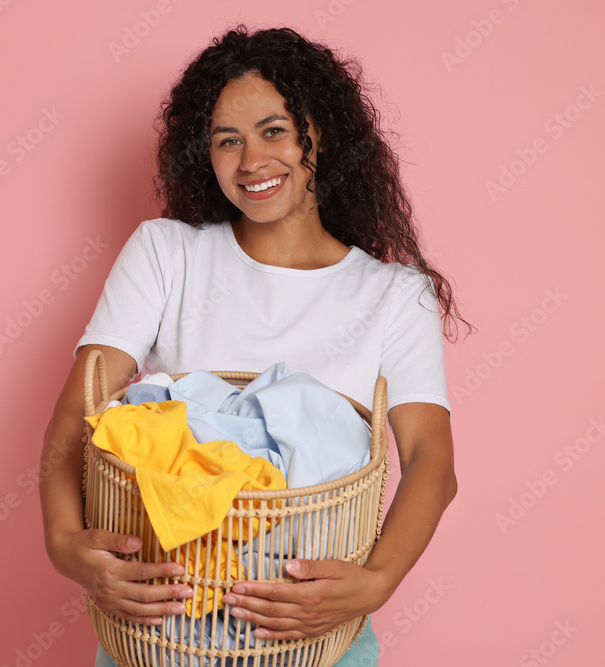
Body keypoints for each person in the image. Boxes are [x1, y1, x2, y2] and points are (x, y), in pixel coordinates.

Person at [39, 25, 472, 666]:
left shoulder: (392, 295)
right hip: (166, 635)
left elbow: (432, 462)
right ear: (203, 154)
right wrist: (66, 545)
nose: (251, 162)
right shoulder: (167, 252)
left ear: (318, 134)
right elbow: (75, 418)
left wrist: (374, 583)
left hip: (314, 639)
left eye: (274, 132)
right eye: (227, 141)